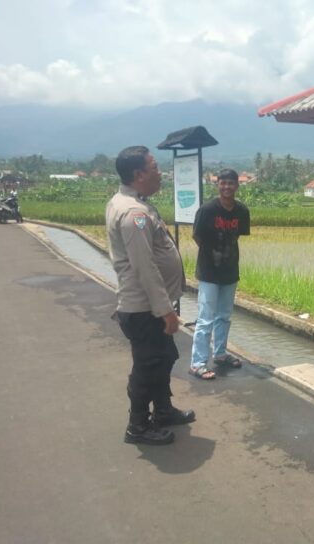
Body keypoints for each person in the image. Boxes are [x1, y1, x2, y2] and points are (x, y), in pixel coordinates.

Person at [106, 145, 195, 446]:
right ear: (139, 174)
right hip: (145, 309)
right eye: (155, 167)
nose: (160, 173)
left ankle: (163, 411)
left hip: (150, 307)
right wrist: (165, 311)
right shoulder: (134, 213)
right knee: (147, 366)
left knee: (163, 358)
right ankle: (138, 426)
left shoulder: (132, 202)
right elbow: (144, 267)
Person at [189, 168, 250, 380]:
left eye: (231, 183)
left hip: (230, 270)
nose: (227, 187)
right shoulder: (207, 210)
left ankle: (221, 354)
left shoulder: (242, 211)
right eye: (223, 183)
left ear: (237, 186)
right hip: (209, 272)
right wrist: (211, 254)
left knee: (224, 316)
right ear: (218, 185)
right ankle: (197, 363)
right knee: (206, 319)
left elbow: (237, 236)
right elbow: (197, 236)